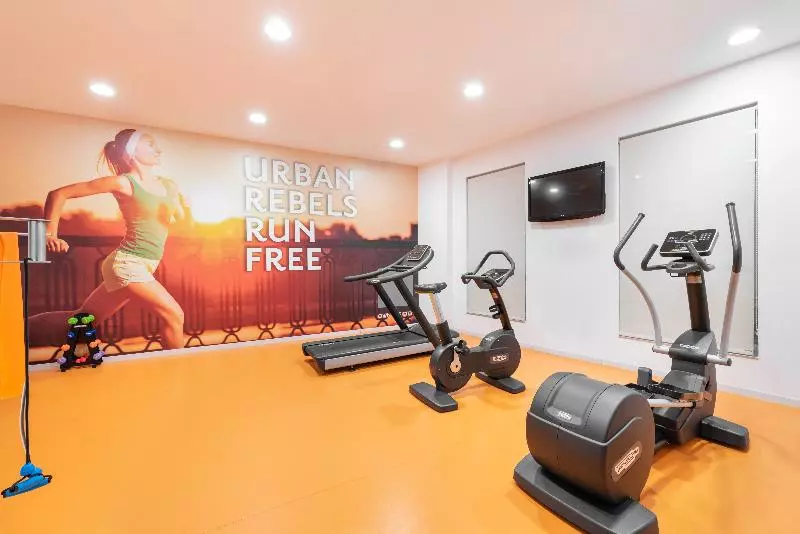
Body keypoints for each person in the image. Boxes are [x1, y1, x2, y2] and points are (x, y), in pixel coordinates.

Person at [29, 128, 191, 350]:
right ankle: (177, 368)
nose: (158, 150)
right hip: (128, 264)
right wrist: (49, 235)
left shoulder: (169, 185)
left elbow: (181, 224)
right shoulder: (123, 183)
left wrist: (186, 209)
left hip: (145, 264)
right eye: (150, 144)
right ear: (131, 151)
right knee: (174, 315)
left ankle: (16, 326)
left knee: (81, 319)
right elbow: (58, 194)